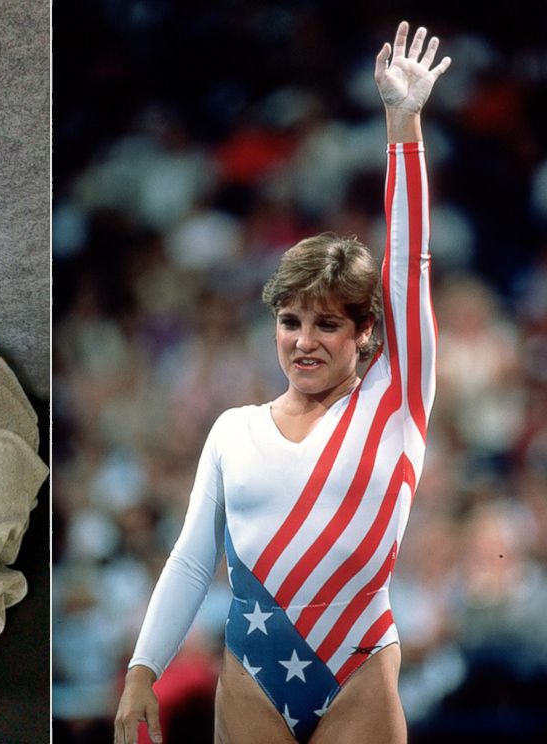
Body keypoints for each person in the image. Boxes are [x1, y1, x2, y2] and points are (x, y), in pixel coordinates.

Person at [114, 21, 450, 744]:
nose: (304, 341)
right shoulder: (233, 430)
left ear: (367, 333)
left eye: (328, 325)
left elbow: (408, 263)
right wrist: (143, 669)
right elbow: (193, 556)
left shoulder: (395, 400)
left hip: (358, 672)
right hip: (251, 678)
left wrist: (402, 122)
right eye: (291, 321)